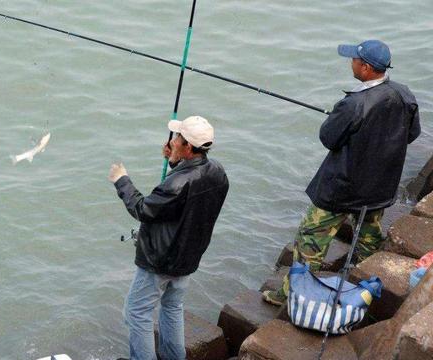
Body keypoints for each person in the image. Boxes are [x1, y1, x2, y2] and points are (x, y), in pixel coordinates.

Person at [263, 40, 421, 306]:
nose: (351, 63)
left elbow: (328, 137)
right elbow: (412, 133)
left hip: (340, 190)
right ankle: (363, 280)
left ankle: (292, 294)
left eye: (354, 60)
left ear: (366, 68)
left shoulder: (354, 104)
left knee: (309, 240)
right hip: (379, 189)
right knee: (368, 234)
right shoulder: (404, 95)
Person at [109, 116, 229, 360]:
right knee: (172, 307)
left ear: (188, 147)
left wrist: (122, 180)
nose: (172, 141)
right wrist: (175, 162)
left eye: (177, 138)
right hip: (188, 258)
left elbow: (143, 209)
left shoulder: (176, 184)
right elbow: (187, 197)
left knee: (136, 312)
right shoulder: (218, 173)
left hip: (160, 261)